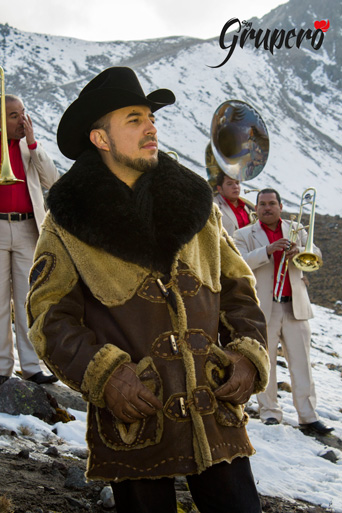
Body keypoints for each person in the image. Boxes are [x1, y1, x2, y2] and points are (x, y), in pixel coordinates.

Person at [26, 67, 270, 513]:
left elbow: (237, 285)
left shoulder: (197, 201)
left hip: (214, 403)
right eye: (134, 119)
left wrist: (246, 353)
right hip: (135, 415)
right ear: (101, 139)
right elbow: (48, 317)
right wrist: (104, 375)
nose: (151, 126)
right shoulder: (66, 220)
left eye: (150, 118)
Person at [233, 188, 334, 436]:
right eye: (263, 204)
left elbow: (316, 254)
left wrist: (299, 251)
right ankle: (269, 413)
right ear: (256, 208)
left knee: (301, 364)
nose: (267, 207)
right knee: (265, 363)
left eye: (272, 203)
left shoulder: (296, 228)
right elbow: (238, 262)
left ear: (280, 206)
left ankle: (308, 417)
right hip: (263, 308)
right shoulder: (243, 234)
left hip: (294, 306)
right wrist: (268, 250)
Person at [0, 94, 59, 387]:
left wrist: (34, 144)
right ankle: (1, 368)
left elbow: (52, 180)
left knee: (27, 302)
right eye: (14, 115)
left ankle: (32, 367)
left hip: (26, 230)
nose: (22, 120)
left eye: (23, 113)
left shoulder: (29, 146)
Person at [213, 171, 254, 236]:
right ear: (220, 189)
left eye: (237, 183)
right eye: (229, 184)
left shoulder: (247, 207)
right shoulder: (213, 205)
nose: (235, 187)